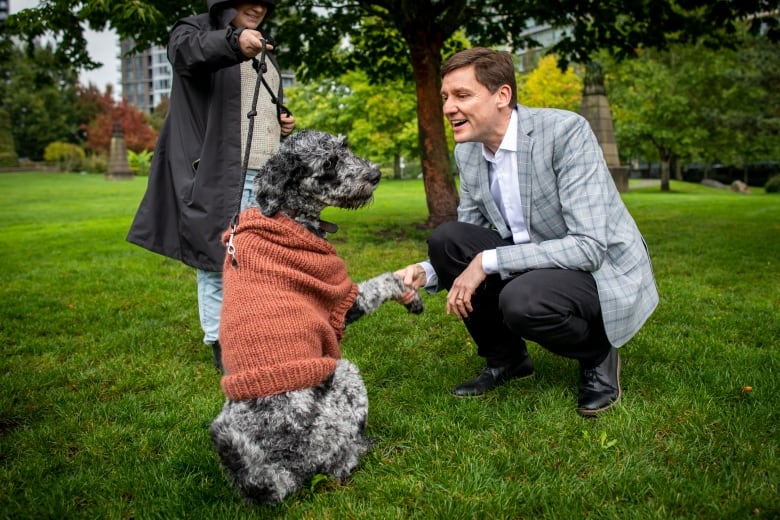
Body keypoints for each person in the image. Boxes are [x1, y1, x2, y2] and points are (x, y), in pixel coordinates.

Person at [396, 47, 658, 416]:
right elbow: (471, 231)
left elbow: (589, 247)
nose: (448, 108)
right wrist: (427, 271)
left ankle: (598, 352)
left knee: (522, 301)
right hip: (534, 257)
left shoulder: (565, 132)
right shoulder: (469, 152)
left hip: (598, 268)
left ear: (502, 95)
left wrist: (488, 260)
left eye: (462, 95)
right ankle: (507, 361)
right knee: (447, 240)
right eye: (445, 97)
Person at [126, 0, 295, 371]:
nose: (259, 8)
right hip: (223, 175)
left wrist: (280, 120)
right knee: (219, 261)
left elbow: (252, 101)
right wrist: (235, 43)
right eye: (249, 0)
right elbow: (188, 53)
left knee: (260, 262)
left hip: (268, 177)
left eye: (265, 2)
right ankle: (221, 342)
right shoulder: (194, 30)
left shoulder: (262, 46)